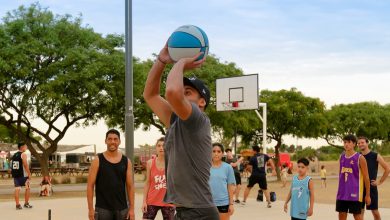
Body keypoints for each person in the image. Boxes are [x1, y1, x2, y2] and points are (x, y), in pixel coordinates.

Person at [143, 42, 219, 220]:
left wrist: (181, 62)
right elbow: (150, 95)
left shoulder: (198, 120)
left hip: (199, 213)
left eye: (188, 93)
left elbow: (172, 92)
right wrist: (161, 61)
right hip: (185, 212)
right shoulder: (176, 120)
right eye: (182, 91)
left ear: (202, 102)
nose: (182, 95)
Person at [87, 129, 135, 220]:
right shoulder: (97, 160)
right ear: (105, 141)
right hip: (102, 209)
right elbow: (90, 186)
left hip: (122, 209)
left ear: (119, 141)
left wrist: (131, 209)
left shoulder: (126, 161)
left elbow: (130, 186)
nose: (112, 141)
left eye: (115, 139)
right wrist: (90, 209)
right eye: (110, 139)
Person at [336, 134, 371, 220]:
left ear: (354, 144)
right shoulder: (341, 157)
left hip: (355, 193)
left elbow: (366, 178)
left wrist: (367, 195)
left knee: (357, 216)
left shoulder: (360, 158)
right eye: (344, 142)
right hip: (342, 193)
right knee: (341, 215)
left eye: (349, 142)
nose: (346, 144)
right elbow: (341, 175)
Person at [142, 137, 175, 220]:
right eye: (159, 145)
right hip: (152, 200)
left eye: (164, 145)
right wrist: (144, 201)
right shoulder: (150, 163)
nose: (161, 148)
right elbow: (147, 183)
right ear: (156, 148)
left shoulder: (172, 163)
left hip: (168, 202)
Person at [358, 136, 390, 220]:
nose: (360, 144)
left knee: (374, 211)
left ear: (367, 143)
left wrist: (379, 182)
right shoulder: (357, 156)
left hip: (371, 187)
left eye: (362, 142)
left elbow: (387, 169)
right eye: (359, 143)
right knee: (360, 211)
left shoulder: (375, 155)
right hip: (359, 187)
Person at [210, 143, 236, 220]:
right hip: (208, 203)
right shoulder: (205, 167)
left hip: (223, 203)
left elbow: (230, 186)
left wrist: (231, 204)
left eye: (219, 151)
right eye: (213, 151)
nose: (216, 154)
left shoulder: (228, 167)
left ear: (222, 153)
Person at [11, 142, 32, 210]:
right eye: (26, 146)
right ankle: (26, 203)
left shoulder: (15, 154)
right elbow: (25, 165)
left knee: (17, 189)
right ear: (22, 147)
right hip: (23, 175)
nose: (26, 147)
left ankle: (17, 205)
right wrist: (29, 173)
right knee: (27, 188)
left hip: (15, 174)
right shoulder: (23, 154)